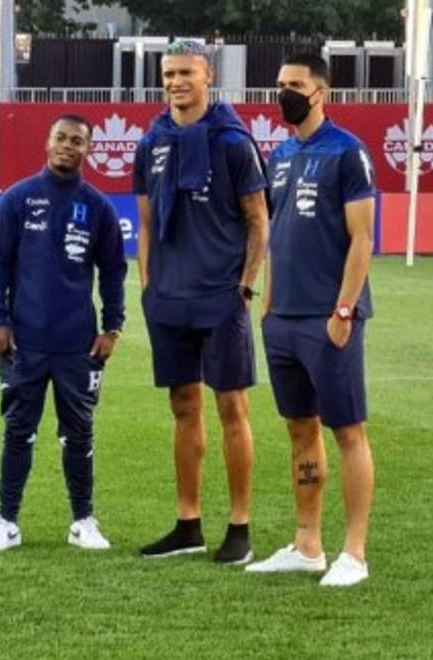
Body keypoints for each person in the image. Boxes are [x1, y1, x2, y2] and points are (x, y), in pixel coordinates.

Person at [133, 41, 270, 565]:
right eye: (168, 73)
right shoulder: (153, 141)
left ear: (207, 74)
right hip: (168, 295)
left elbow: (258, 218)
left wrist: (246, 283)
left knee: (231, 406)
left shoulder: (233, 142)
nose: (175, 82)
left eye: (185, 72)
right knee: (182, 406)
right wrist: (147, 284)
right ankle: (187, 523)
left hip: (220, 294)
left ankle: (239, 527)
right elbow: (145, 221)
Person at [246, 52, 377, 587]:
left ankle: (355, 554)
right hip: (283, 320)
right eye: (280, 85)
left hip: (330, 319)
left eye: (295, 85)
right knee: (300, 430)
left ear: (321, 92)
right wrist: (269, 303)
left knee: (347, 432)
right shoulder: (278, 155)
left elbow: (363, 239)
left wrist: (343, 310)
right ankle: (307, 545)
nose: (284, 94)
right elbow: (277, 236)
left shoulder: (349, 153)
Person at [0, 114, 127, 552]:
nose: (67, 145)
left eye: (77, 140)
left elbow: (114, 271)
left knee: (78, 433)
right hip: (23, 340)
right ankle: (6, 521)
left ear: (88, 150)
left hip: (77, 344)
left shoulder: (97, 206)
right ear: (47, 141)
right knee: (18, 430)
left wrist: (112, 327)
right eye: (60, 137)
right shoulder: (18, 199)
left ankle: (83, 520)